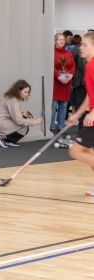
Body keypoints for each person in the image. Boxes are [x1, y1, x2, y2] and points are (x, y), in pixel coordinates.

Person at [67, 31, 94, 196]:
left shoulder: (92, 66)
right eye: (80, 44)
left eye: (85, 45)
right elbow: (91, 94)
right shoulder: (88, 65)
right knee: (87, 152)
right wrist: (77, 115)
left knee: (76, 151)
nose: (80, 48)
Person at [0, 80, 43, 148]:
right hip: (1, 124)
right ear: (18, 91)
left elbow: (10, 113)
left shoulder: (11, 98)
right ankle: (2, 137)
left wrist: (23, 114)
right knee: (24, 126)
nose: (27, 94)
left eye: (28, 92)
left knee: (24, 125)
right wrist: (34, 122)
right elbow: (18, 120)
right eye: (25, 92)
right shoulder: (14, 100)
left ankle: (8, 141)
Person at [50, 33, 75, 136]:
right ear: (55, 41)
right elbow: (51, 66)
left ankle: (60, 127)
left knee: (64, 106)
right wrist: (59, 76)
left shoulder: (69, 54)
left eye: (63, 40)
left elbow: (73, 66)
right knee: (53, 105)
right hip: (56, 82)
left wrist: (70, 76)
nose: (61, 41)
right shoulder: (52, 53)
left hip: (66, 83)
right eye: (59, 39)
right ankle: (51, 126)